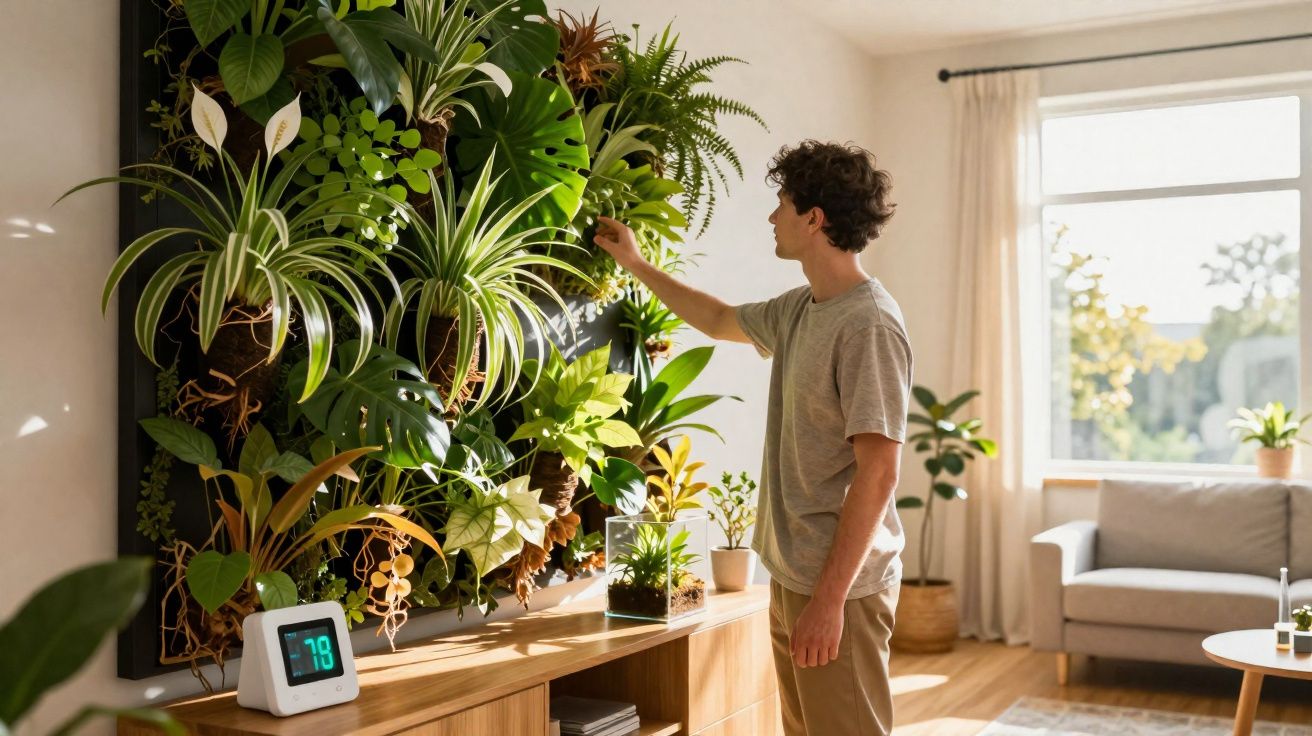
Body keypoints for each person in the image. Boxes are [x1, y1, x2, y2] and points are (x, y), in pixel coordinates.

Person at [592, 140, 911, 736]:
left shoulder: (869, 324)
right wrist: (636, 264)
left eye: (782, 203)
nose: (772, 217)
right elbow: (716, 320)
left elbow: (879, 474)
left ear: (813, 219)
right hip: (795, 574)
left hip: (838, 586)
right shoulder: (801, 308)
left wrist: (829, 601)